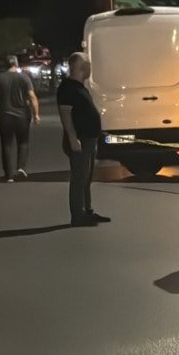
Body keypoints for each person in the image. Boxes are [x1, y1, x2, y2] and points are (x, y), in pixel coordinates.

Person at [56, 53, 106, 226]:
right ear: (82, 67)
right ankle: (77, 216)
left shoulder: (79, 87)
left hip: (89, 139)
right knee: (79, 178)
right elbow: (65, 115)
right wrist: (73, 138)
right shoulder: (68, 88)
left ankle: (87, 211)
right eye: (88, 65)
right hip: (80, 140)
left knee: (86, 178)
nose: (90, 68)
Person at [0, 55, 40, 181]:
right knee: (23, 142)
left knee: (6, 144)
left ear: (5, 65)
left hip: (5, 116)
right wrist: (36, 114)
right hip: (22, 116)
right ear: (16, 63)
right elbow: (32, 96)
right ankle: (21, 167)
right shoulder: (24, 77)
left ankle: (9, 175)